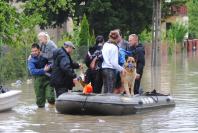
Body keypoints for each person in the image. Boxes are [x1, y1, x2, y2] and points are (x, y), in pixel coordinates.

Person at [28, 43, 55, 108]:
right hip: (38, 80)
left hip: (48, 79)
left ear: (39, 50)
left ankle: (52, 111)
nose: (34, 52)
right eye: (32, 51)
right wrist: (43, 70)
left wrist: (49, 66)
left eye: (35, 51)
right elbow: (32, 71)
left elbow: (53, 62)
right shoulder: (30, 60)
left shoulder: (45, 56)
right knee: (40, 103)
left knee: (50, 98)